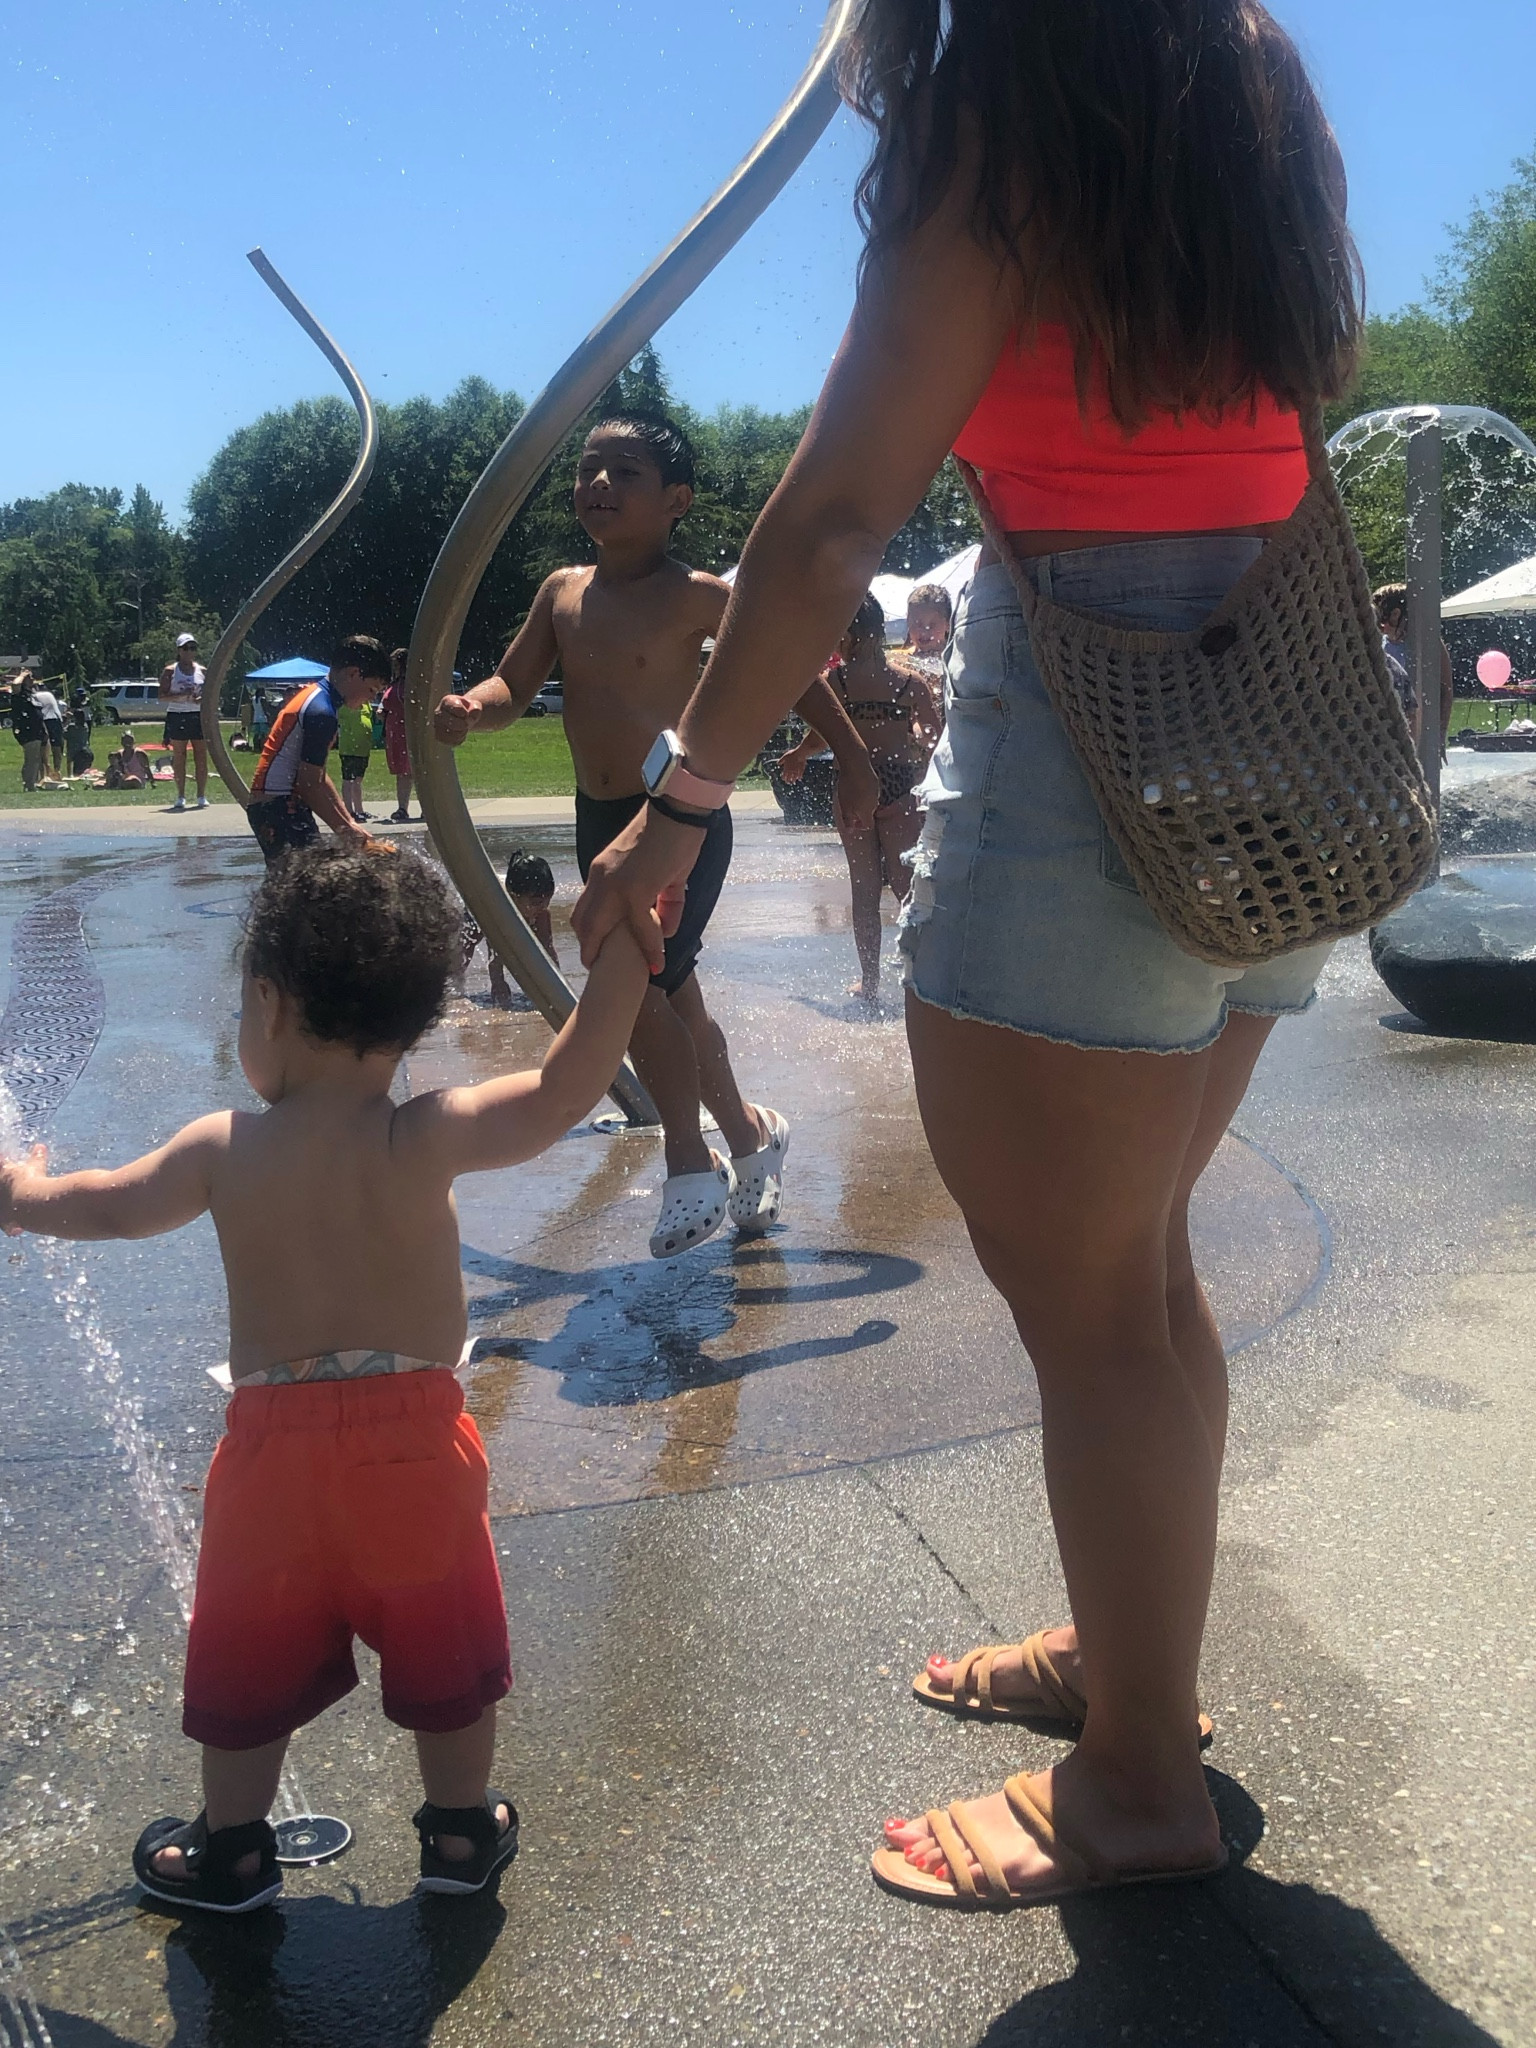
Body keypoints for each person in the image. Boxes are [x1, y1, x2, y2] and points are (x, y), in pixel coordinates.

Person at [573, 0, 1364, 1908]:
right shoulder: (1237, 57)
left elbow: (842, 514)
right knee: (1140, 1267)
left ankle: (1136, 1785)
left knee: (1090, 1304)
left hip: (1088, 730)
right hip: (1281, 716)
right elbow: (1296, 370)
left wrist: (680, 805)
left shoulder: (1005, 92)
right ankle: (1132, 1661)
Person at [0, 841, 650, 1913]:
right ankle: (456, 1833)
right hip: (416, 1443)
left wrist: (19, 1191)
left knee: (248, 1659)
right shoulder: (425, 1131)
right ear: (414, 1017)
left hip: (272, 1458)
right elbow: (566, 1085)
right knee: (445, 1641)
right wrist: (628, 948)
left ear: (267, 999)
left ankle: (235, 1848)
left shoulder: (224, 1145)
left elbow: (109, 1204)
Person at [435, 411, 881, 1258]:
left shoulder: (702, 595)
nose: (599, 484)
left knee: (633, 979)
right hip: (598, 819)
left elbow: (790, 670)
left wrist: (853, 762)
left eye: (625, 472)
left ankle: (688, 1162)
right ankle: (749, 1138)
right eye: (589, 469)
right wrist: (471, 710)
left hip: (679, 818)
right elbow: (513, 683)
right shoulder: (563, 592)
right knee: (669, 990)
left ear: (676, 499)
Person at [778, 593, 942, 1004]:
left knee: (864, 888)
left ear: (847, 636)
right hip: (901, 785)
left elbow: (824, 734)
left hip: (854, 786)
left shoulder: (838, 683)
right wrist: (919, 741)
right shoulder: (910, 682)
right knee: (908, 888)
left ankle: (869, 983)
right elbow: (935, 736)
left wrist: (799, 754)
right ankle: (917, 978)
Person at [246, 636, 392, 864]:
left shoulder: (318, 698)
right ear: (353, 674)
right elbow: (309, 784)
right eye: (372, 689)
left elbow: (318, 777)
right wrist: (344, 829)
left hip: (277, 806)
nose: (372, 698)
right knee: (309, 890)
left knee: (304, 888)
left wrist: (349, 822)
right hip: (279, 807)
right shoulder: (321, 713)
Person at [461, 850, 559, 1009]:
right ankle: (451, 985)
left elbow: (548, 951)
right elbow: (495, 955)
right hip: (478, 906)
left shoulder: (541, 913)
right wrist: (498, 982)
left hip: (498, 896)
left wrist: (556, 987)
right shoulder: (499, 910)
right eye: (536, 903)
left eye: (547, 901)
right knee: (466, 947)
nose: (543, 907)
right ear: (514, 896)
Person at [1374, 583, 1453, 753]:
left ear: (1395, 614)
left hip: (1419, 724)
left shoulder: (1429, 643)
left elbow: (1446, 691)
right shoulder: (1379, 644)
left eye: (1380, 617)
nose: (1377, 624)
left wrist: (1440, 735)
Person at [159, 633, 210, 811]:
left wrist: (200, 699)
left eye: (192, 648)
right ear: (179, 650)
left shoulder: (202, 670)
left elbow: (210, 694)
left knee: (201, 755)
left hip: (197, 715)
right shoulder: (170, 671)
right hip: (177, 714)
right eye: (186, 648)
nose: (189, 652)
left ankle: (201, 795)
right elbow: (162, 696)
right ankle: (181, 795)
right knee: (179, 756)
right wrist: (181, 696)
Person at [382, 647, 415, 823]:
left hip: (408, 731)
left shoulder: (413, 684)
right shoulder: (395, 684)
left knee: (416, 771)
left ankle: (428, 809)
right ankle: (402, 807)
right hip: (395, 732)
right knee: (402, 772)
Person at [336, 688, 375, 822]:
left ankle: (359, 810)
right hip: (349, 749)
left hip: (362, 749)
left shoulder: (366, 705)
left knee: (358, 780)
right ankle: (349, 810)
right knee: (348, 779)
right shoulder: (345, 705)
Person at [904, 582, 954, 677]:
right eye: (917, 624)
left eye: (932, 625)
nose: (924, 632)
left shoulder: (957, 661)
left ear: (948, 624)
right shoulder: (903, 660)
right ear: (908, 621)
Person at [10, 675, 45, 791]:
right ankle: (29, 785)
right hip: (27, 732)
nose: (33, 679)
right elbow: (15, 684)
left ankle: (31, 782)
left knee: (34, 759)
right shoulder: (19, 695)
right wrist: (23, 674)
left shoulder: (31, 694)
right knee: (32, 759)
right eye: (30, 678)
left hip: (36, 731)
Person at [30, 680, 66, 780]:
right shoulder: (49, 694)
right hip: (56, 720)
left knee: (43, 748)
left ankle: (44, 773)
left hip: (44, 721)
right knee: (57, 747)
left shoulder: (34, 696)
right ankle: (57, 771)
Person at [66, 691, 96, 776]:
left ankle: (69, 774)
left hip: (76, 753)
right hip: (86, 751)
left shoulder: (72, 727)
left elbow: (64, 734)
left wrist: (67, 720)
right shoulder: (85, 726)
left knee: (69, 760)